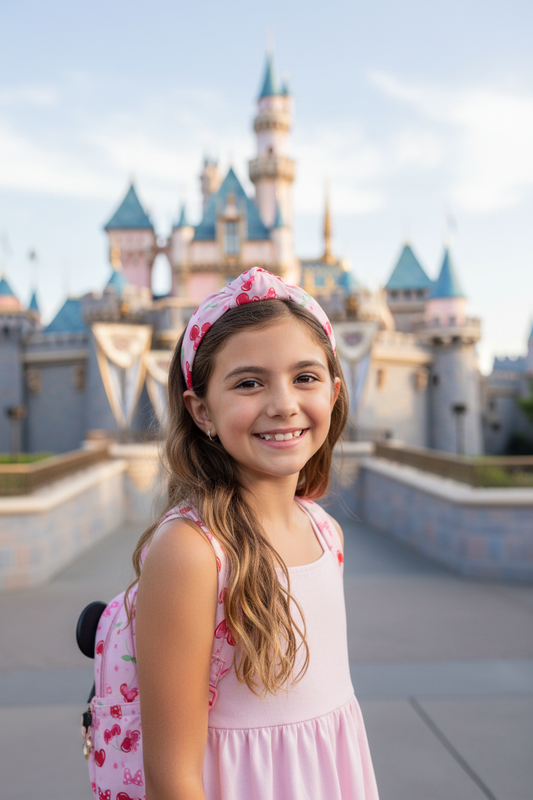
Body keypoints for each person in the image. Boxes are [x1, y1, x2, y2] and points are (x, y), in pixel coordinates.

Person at [132, 268, 380, 800]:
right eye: (249, 383)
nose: (283, 403)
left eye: (305, 377)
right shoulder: (192, 553)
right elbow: (172, 779)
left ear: (334, 393)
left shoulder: (326, 533)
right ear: (202, 411)